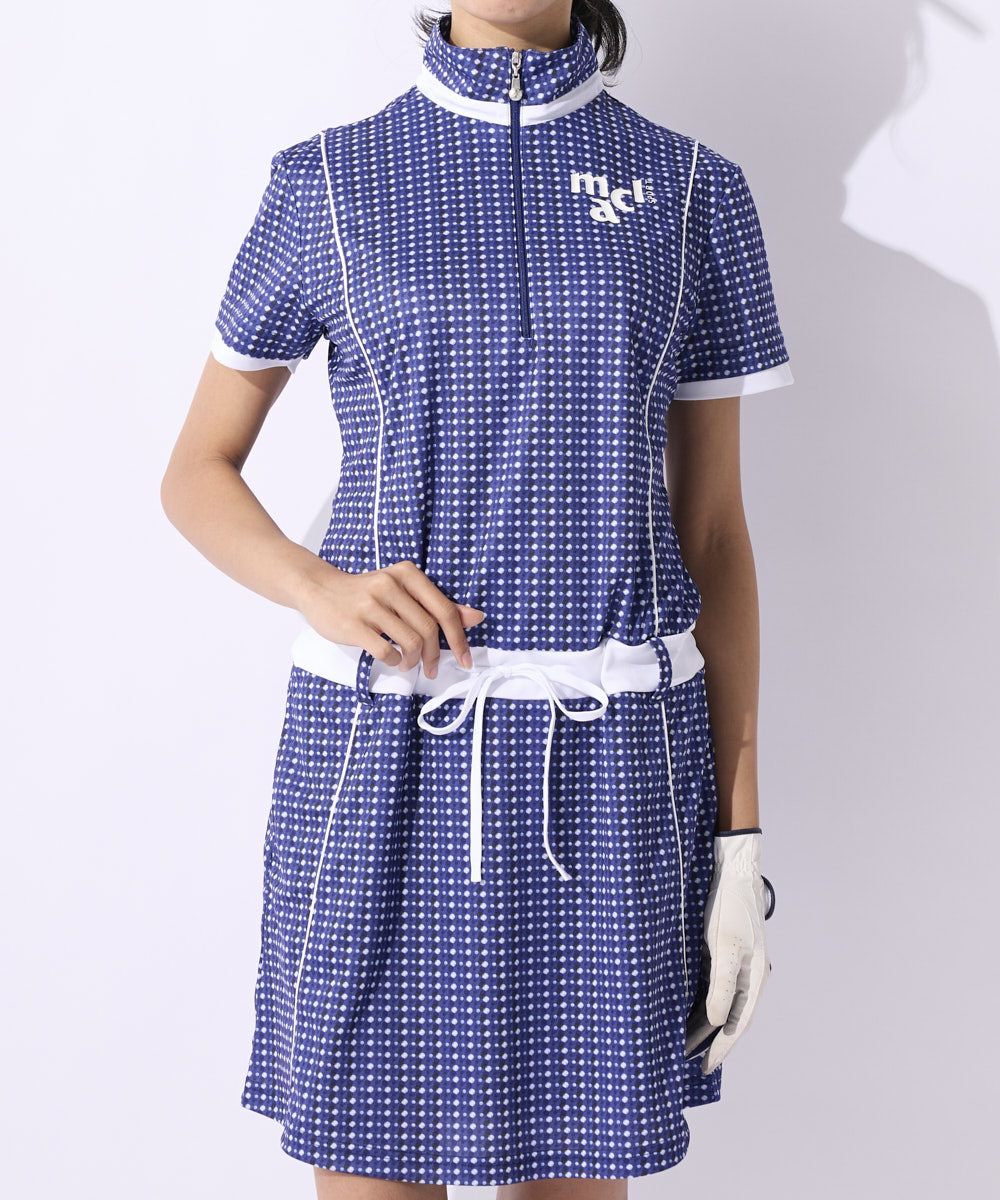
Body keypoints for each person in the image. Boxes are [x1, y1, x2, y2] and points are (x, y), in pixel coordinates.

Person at [160, 1, 787, 1195]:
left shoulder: (692, 189)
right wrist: (318, 587)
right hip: (378, 759)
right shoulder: (326, 181)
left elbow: (712, 535)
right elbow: (196, 470)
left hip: (612, 779)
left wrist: (739, 843)